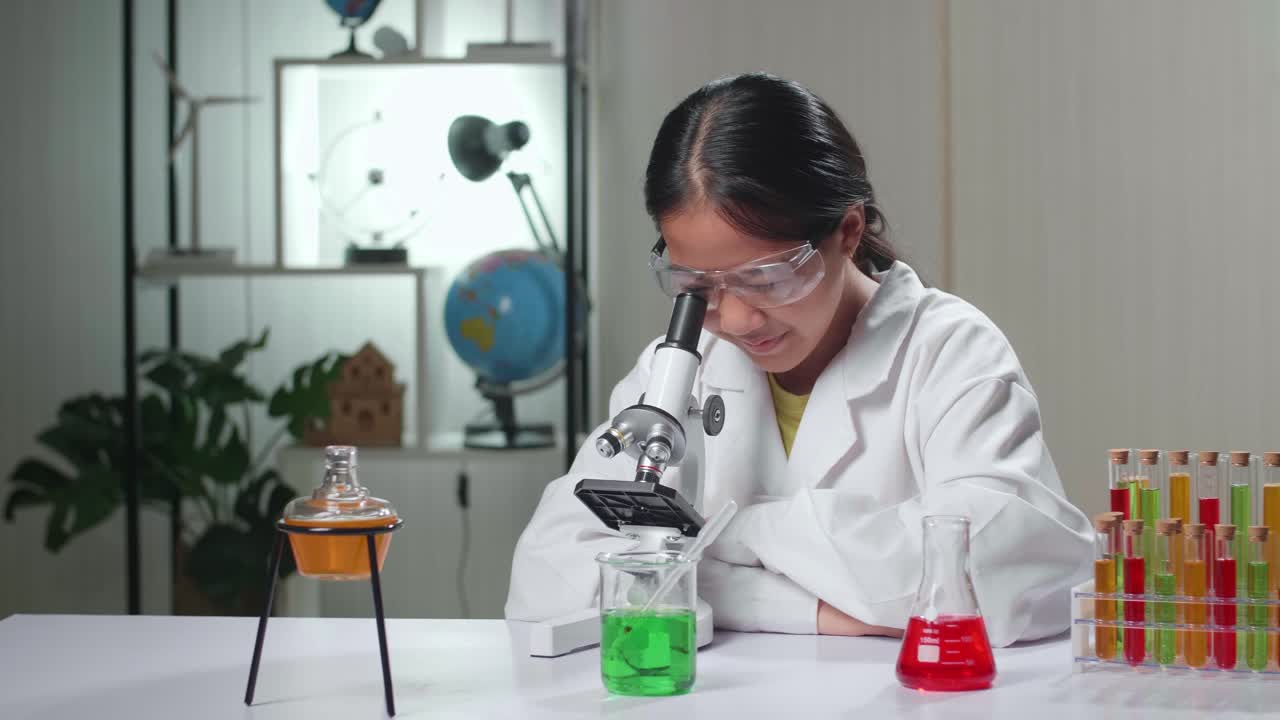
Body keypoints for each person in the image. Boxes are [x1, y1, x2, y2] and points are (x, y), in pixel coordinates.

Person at [505, 73, 1092, 646]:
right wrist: (814, 608)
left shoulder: (948, 352)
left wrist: (727, 536)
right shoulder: (681, 364)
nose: (735, 321)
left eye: (766, 278)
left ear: (848, 231)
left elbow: (991, 581)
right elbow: (547, 581)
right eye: (696, 282)